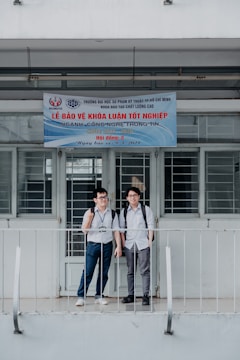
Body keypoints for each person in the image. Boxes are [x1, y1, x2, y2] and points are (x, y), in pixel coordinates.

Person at [75, 187, 122, 306]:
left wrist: (118, 246)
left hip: (107, 245)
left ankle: (99, 296)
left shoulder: (112, 213)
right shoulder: (89, 212)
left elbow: (116, 230)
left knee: (104, 272)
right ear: (95, 199)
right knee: (88, 271)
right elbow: (84, 230)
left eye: (105, 197)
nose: (104, 200)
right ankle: (81, 296)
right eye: (101, 197)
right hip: (93, 245)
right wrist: (90, 218)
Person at [119, 186, 154, 306]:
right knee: (130, 271)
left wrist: (149, 242)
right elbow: (122, 229)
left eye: (135, 195)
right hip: (129, 244)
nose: (133, 198)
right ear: (127, 198)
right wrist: (123, 243)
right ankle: (131, 295)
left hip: (143, 244)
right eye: (130, 196)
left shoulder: (146, 209)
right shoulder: (124, 212)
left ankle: (145, 295)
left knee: (145, 271)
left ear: (139, 196)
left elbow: (150, 226)